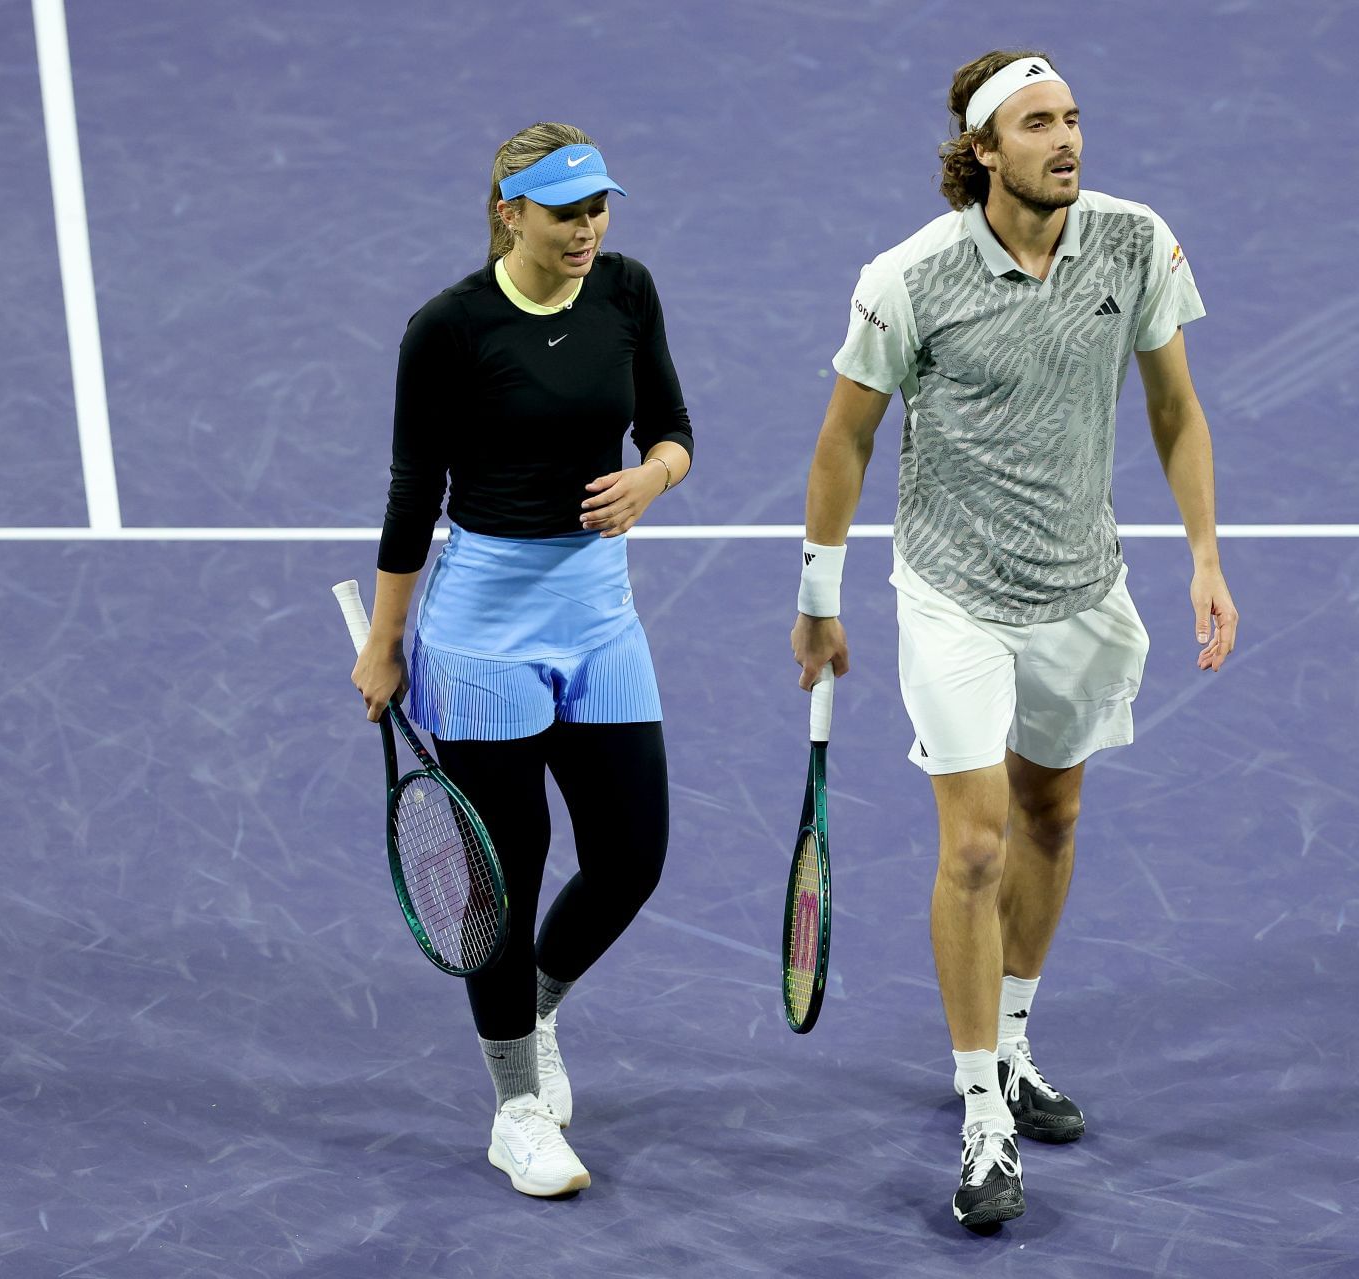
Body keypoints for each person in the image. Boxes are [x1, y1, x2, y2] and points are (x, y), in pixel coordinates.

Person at [790, 51, 1237, 1229]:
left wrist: (1203, 554)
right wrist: (819, 594)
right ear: (983, 150)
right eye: (1039, 124)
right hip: (954, 597)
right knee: (978, 845)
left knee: (1053, 814)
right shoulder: (909, 279)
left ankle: (1019, 1040)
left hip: (1081, 587)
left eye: (1075, 118)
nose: (1068, 140)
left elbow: (1175, 404)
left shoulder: (1135, 243)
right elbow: (845, 440)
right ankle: (982, 1103)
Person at [350, 122, 692, 1198]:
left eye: (598, 207)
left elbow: (672, 429)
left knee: (633, 852)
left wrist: (655, 479)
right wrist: (383, 640)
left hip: (598, 614)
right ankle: (516, 1108)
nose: (588, 229)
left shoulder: (627, 289)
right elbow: (415, 494)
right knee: (508, 871)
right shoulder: (448, 329)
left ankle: (537, 1002)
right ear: (510, 213)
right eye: (564, 211)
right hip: (484, 624)